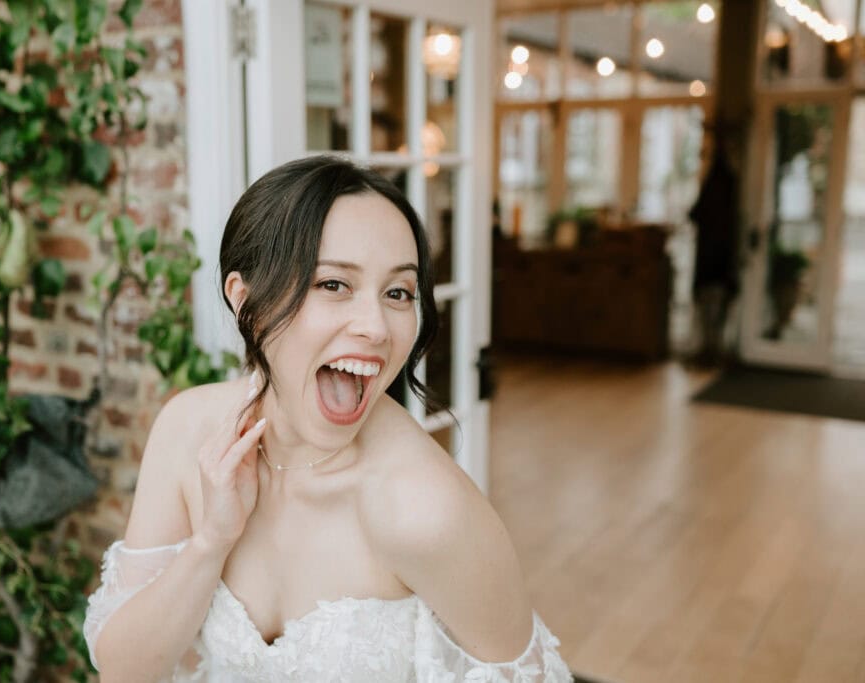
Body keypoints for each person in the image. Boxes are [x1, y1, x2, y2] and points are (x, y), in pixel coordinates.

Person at [83, 156, 572, 682]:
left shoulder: (428, 509)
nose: (377, 327)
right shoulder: (186, 430)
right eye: (334, 285)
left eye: (398, 293)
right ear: (244, 299)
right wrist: (212, 541)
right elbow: (124, 671)